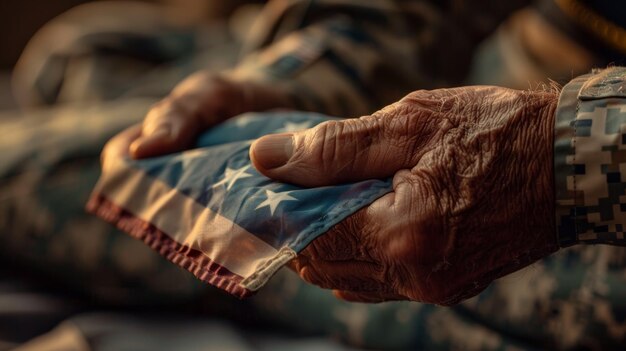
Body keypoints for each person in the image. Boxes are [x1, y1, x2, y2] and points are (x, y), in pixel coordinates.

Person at [4, 0, 626, 349]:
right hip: (508, 63)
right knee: (74, 57)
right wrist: (295, 74)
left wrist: (556, 157)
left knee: (27, 174)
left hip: (583, 201)